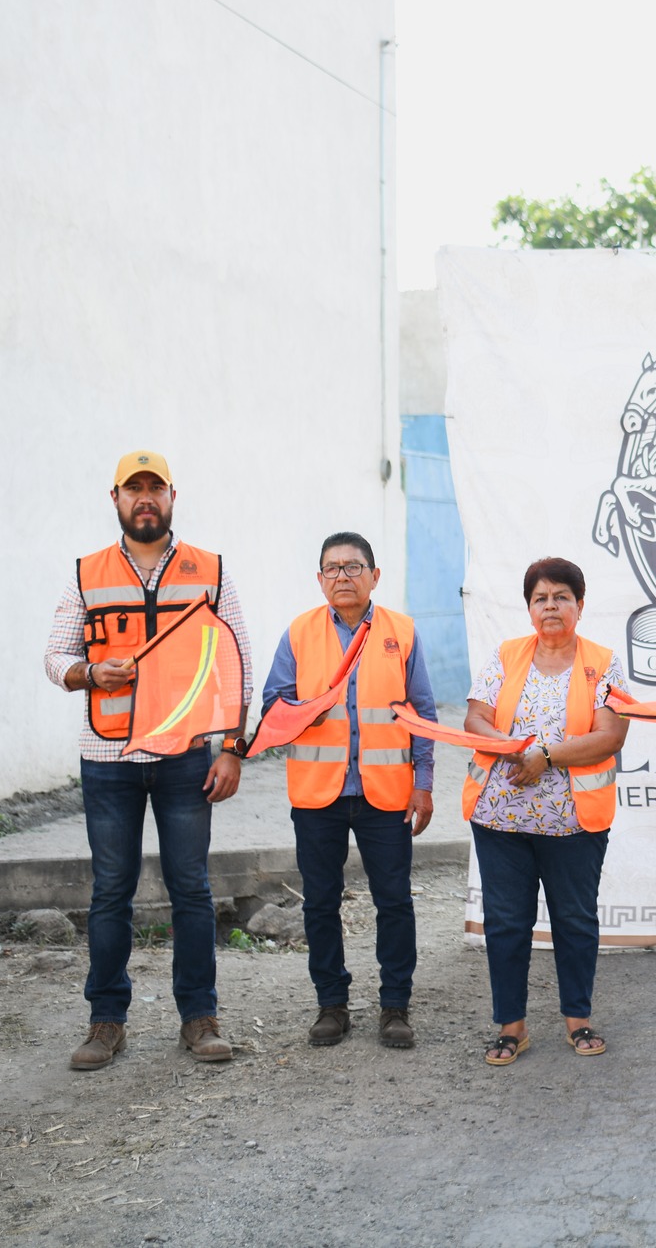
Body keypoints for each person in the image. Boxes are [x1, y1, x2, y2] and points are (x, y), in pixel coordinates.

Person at [43, 451, 250, 1071]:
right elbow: (55, 656)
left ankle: (199, 1017)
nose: (145, 499)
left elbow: (234, 663)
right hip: (107, 758)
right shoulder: (87, 572)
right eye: (133, 489)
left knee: (192, 888)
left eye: (154, 488)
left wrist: (234, 749)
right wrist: (86, 672)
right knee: (111, 892)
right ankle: (106, 1021)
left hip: (186, 756)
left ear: (171, 496)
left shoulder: (209, 570)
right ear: (115, 499)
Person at [260, 532, 434, 1050]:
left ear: (374, 576)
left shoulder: (401, 632)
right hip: (319, 794)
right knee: (320, 903)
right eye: (332, 568)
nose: (342, 576)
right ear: (319, 579)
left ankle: (395, 1006)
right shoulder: (299, 633)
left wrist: (423, 784)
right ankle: (331, 1005)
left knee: (395, 902)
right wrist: (309, 707)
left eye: (353, 567)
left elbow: (423, 713)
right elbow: (274, 705)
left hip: (386, 793)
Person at [462, 557, 630, 1064]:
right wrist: (509, 746)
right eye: (541, 598)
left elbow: (610, 735)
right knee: (507, 922)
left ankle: (578, 1020)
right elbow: (476, 716)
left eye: (561, 596)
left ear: (580, 605)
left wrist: (545, 756)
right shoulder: (508, 655)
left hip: (574, 822)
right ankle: (511, 1027)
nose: (551, 606)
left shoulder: (602, 662)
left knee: (574, 921)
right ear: (529, 607)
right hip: (500, 820)